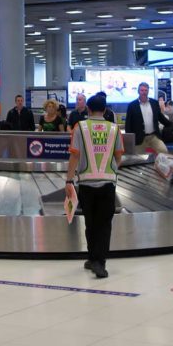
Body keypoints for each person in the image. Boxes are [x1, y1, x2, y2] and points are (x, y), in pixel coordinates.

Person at [65, 93, 124, 279]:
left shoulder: (79, 127)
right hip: (108, 183)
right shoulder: (114, 129)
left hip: (86, 183)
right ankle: (100, 262)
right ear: (105, 110)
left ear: (88, 110)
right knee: (105, 224)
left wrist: (68, 180)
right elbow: (118, 156)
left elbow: (74, 155)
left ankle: (92, 258)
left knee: (90, 223)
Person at [124, 82, 172, 154]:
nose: (144, 92)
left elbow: (160, 117)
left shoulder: (154, 103)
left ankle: (160, 165)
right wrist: (130, 139)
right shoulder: (132, 105)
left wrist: (172, 124)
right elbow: (128, 124)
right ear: (138, 91)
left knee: (164, 151)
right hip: (139, 138)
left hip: (153, 136)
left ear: (148, 91)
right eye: (142, 90)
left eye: (146, 90)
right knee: (139, 159)